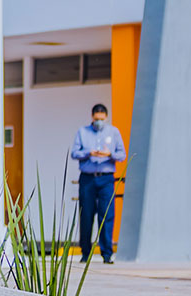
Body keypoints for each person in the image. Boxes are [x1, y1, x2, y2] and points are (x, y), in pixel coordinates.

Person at [70, 103, 126, 264]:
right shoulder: (83, 132)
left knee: (107, 215)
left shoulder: (113, 132)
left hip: (106, 178)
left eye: (101, 119)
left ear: (106, 117)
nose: (99, 122)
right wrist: (89, 153)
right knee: (86, 215)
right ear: (92, 117)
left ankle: (107, 253)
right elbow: (74, 153)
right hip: (87, 178)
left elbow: (122, 155)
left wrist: (110, 154)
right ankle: (85, 253)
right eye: (96, 119)